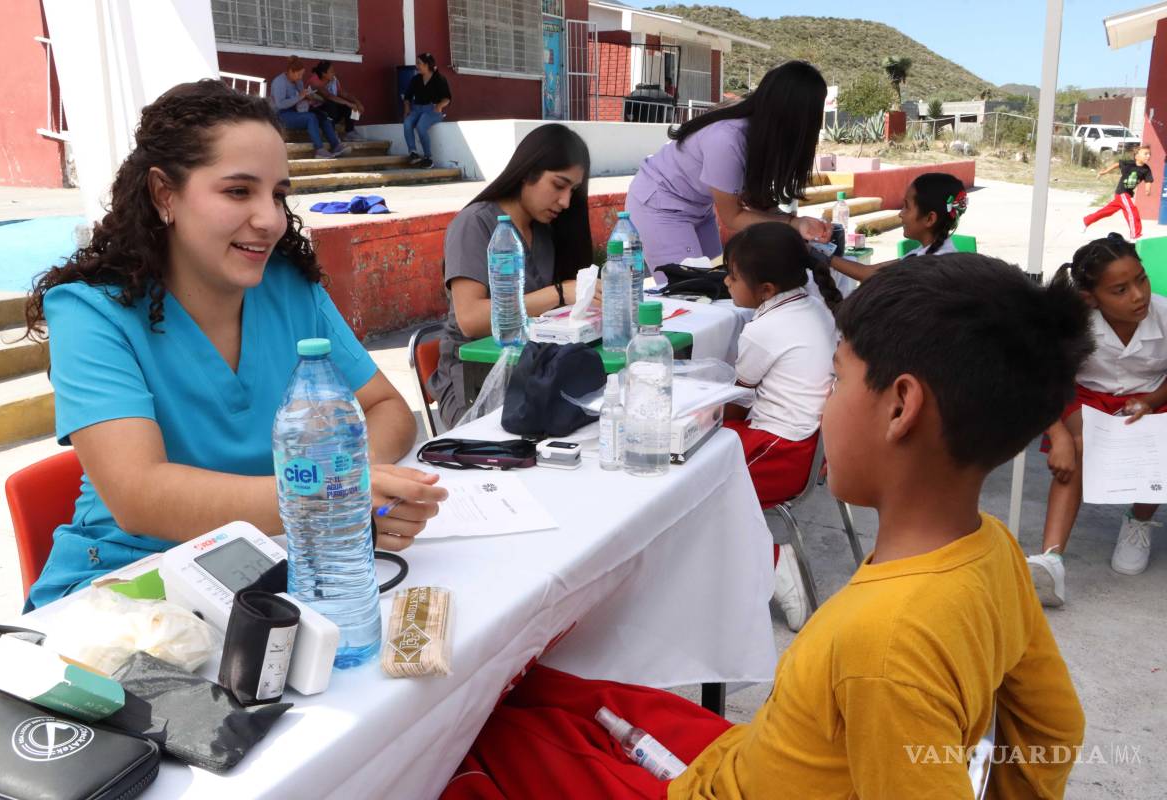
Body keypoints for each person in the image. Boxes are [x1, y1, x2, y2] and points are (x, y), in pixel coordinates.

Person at [442, 254, 1090, 799]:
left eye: (836, 379)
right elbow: (1054, 727)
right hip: (757, 758)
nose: (825, 401)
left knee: (472, 737)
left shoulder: (882, 645)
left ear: (900, 408)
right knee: (535, 689)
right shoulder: (995, 550)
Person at [22, 80, 447, 608]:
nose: (269, 219)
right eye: (238, 191)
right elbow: (137, 496)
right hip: (126, 586)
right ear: (164, 194)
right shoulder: (91, 312)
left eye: (278, 195)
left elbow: (387, 407)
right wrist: (322, 495)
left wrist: (347, 487)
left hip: (269, 561)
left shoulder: (290, 289)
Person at [1028, 233, 1166, 607]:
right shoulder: (1070, 324)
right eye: (1120, 290)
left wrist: (1150, 402)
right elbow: (1043, 381)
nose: (1138, 295)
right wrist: (1057, 434)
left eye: (1141, 280)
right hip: (1084, 399)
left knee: (1156, 449)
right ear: (1090, 298)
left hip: (1150, 400)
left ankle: (1138, 520)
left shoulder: (1163, 314)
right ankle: (1050, 561)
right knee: (1078, 447)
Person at [427, 124, 594, 427]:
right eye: (559, 185)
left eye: (573, 190)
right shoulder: (475, 223)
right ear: (528, 172)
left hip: (531, 369)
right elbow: (470, 318)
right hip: (474, 379)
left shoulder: (544, 231)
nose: (566, 201)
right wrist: (559, 293)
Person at [721, 222, 841, 632]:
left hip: (784, 454)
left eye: (732, 276)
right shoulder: (815, 307)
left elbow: (736, 403)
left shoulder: (763, 330)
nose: (726, 282)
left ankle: (776, 562)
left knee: (694, 478)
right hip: (813, 449)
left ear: (766, 289)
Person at [625, 60, 833, 274]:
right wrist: (792, 224)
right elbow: (733, 217)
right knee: (689, 288)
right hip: (660, 205)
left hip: (698, 208)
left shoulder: (761, 133)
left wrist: (799, 223)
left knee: (716, 280)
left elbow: (753, 198)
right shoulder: (727, 139)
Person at [828, 171, 968, 283]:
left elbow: (869, 275)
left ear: (929, 219)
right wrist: (826, 256)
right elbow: (869, 272)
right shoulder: (927, 252)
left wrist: (822, 255)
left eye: (907, 206)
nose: (900, 214)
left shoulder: (930, 267)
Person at [270, 55, 344, 158]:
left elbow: (301, 96)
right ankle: (319, 150)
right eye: (299, 74)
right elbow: (280, 104)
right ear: (291, 71)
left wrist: (308, 97)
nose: (301, 78)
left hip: (296, 111)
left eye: (302, 74)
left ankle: (336, 146)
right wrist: (300, 97)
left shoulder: (298, 81)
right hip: (281, 115)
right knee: (311, 117)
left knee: (322, 116)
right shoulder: (280, 82)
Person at [1084, 145, 1154, 240]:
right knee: (1132, 210)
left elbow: (1148, 180)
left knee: (1107, 212)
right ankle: (1135, 234)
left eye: (1149, 154)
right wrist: (1105, 172)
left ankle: (1087, 221)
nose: (1148, 156)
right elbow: (1117, 164)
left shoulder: (1146, 169)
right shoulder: (1129, 164)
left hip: (1127, 194)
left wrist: (1147, 189)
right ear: (1137, 156)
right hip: (1122, 192)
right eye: (1145, 154)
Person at [403, 53, 452, 168]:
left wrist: (439, 106)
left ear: (426, 65)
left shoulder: (439, 79)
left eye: (419, 63)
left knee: (421, 126)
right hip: (417, 109)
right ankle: (413, 153)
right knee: (407, 123)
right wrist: (407, 108)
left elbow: (447, 98)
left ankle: (428, 158)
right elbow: (407, 96)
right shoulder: (416, 79)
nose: (417, 66)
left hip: (432, 110)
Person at [308, 60, 366, 141]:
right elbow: (329, 96)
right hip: (316, 111)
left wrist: (357, 102)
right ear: (324, 74)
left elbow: (343, 93)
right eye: (331, 71)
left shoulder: (333, 80)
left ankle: (350, 132)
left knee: (349, 107)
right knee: (331, 104)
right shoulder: (314, 81)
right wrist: (348, 103)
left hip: (331, 111)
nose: (334, 73)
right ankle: (330, 132)